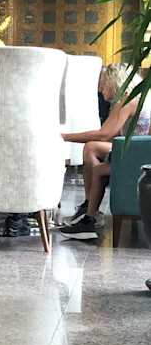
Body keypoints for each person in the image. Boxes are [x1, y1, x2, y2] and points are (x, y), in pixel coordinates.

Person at [58, 62, 150, 240]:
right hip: (139, 151)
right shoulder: (138, 96)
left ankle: (89, 217)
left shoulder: (127, 100)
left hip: (134, 155)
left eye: (102, 83)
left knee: (93, 152)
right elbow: (110, 135)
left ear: (114, 81)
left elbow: (104, 134)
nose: (100, 89)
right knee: (92, 148)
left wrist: (65, 136)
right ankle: (89, 208)